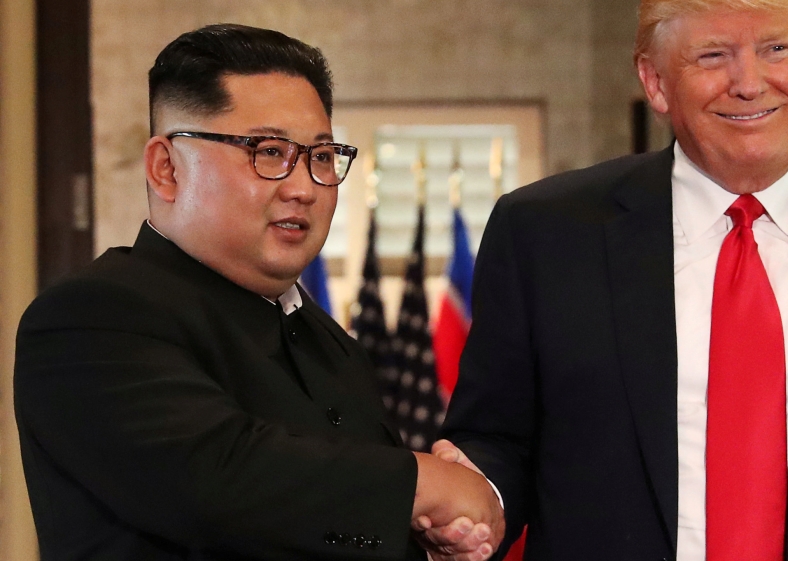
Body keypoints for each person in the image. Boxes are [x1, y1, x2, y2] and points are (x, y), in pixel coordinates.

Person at [435, 0, 788, 559]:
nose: (749, 84)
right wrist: (478, 504)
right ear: (655, 82)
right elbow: (499, 439)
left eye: (776, 48)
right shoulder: (545, 234)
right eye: (713, 55)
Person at [14, 24, 502, 561]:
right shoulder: (91, 315)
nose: (303, 187)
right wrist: (422, 483)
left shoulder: (331, 342)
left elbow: (326, 522)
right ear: (166, 168)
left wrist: (428, 544)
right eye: (268, 151)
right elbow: (216, 481)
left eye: (321, 156)